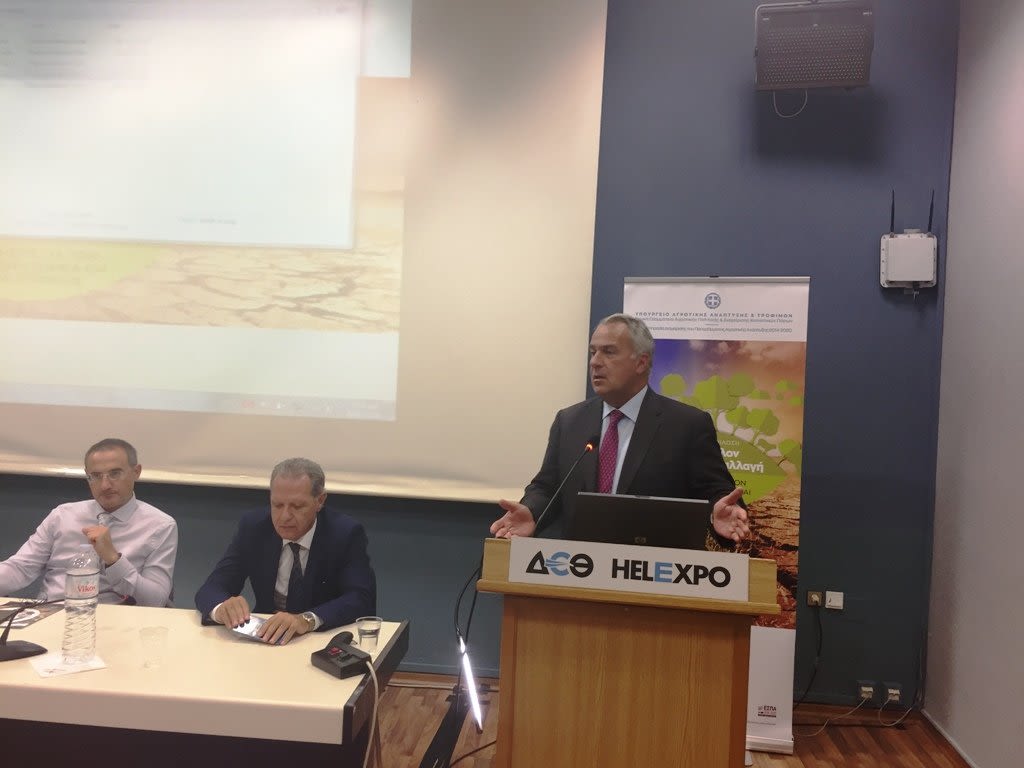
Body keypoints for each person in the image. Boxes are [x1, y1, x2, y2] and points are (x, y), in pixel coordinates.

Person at [490, 313, 750, 546]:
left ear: (641, 362)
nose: (595, 362)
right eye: (593, 352)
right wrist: (532, 510)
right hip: (578, 568)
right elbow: (547, 487)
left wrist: (721, 511)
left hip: (656, 571)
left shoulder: (687, 425)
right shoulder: (569, 421)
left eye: (609, 352)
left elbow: (715, 490)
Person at [195, 457, 376, 645]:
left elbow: (360, 599)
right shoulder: (254, 527)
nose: (285, 516)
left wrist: (306, 620)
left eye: (297, 506)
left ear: (320, 501)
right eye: (277, 505)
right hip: (265, 638)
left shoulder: (344, 533)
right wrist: (221, 608)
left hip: (318, 640)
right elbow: (212, 588)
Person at [0, 438, 178, 606]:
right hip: (49, 612)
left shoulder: (160, 526)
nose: (105, 485)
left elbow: (156, 600)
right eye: (96, 476)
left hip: (114, 619)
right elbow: (20, 567)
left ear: (136, 472)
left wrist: (113, 560)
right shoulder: (62, 515)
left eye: (115, 474)